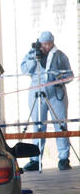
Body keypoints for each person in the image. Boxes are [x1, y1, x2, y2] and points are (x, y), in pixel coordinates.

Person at [21, 31, 74, 171]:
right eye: (43, 44)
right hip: (37, 93)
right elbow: (24, 69)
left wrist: (59, 77)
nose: (46, 47)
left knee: (60, 124)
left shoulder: (60, 55)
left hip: (56, 94)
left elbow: (70, 75)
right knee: (38, 125)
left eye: (48, 44)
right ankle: (35, 159)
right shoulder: (32, 53)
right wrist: (34, 58)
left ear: (52, 43)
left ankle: (64, 158)